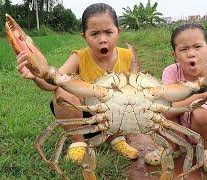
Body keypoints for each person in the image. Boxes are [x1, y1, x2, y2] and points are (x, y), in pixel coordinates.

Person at [16, 3, 139, 164]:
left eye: (109, 32)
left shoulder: (127, 56)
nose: (102, 40)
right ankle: (77, 142)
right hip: (84, 119)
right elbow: (52, 84)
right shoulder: (78, 57)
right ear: (84, 36)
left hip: (115, 118)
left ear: (118, 32)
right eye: (94, 34)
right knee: (62, 90)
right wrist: (35, 76)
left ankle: (117, 139)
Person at [144, 23, 207, 173]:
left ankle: (206, 149)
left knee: (201, 112)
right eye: (183, 49)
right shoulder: (171, 72)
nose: (191, 53)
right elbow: (167, 110)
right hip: (178, 128)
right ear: (175, 56)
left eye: (197, 47)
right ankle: (172, 146)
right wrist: (204, 94)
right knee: (153, 107)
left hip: (205, 129)